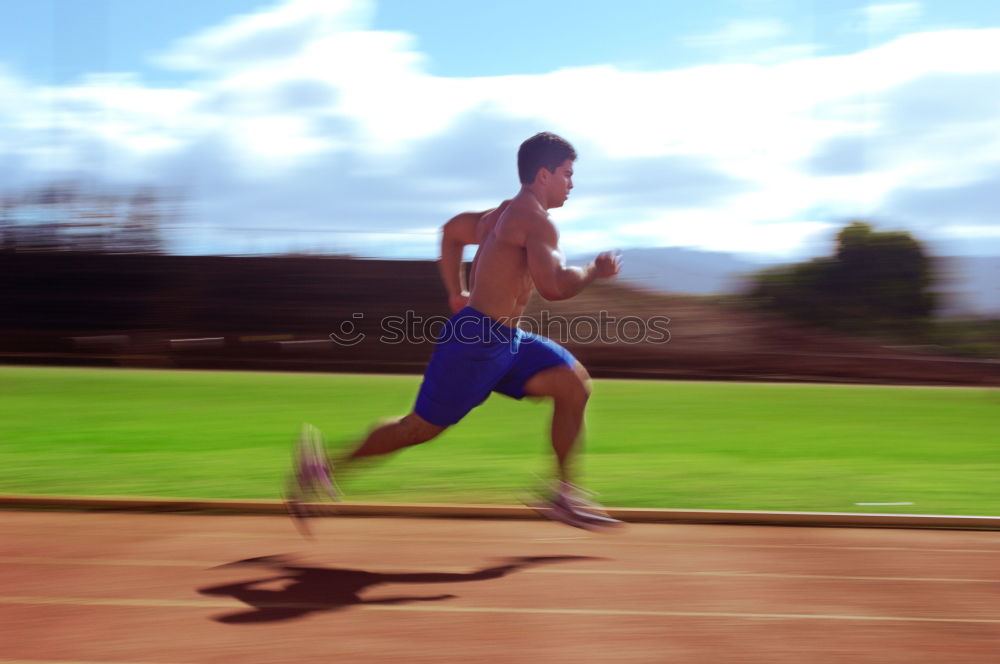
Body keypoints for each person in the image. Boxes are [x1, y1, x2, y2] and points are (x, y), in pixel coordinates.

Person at [288, 132, 623, 531]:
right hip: (476, 343)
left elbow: (451, 231)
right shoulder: (534, 222)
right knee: (417, 429)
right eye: (567, 174)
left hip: (505, 340)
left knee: (573, 384)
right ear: (544, 174)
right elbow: (553, 287)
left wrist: (455, 291)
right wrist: (594, 272)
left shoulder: (500, 215)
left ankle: (563, 494)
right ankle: (324, 466)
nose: (572, 183)